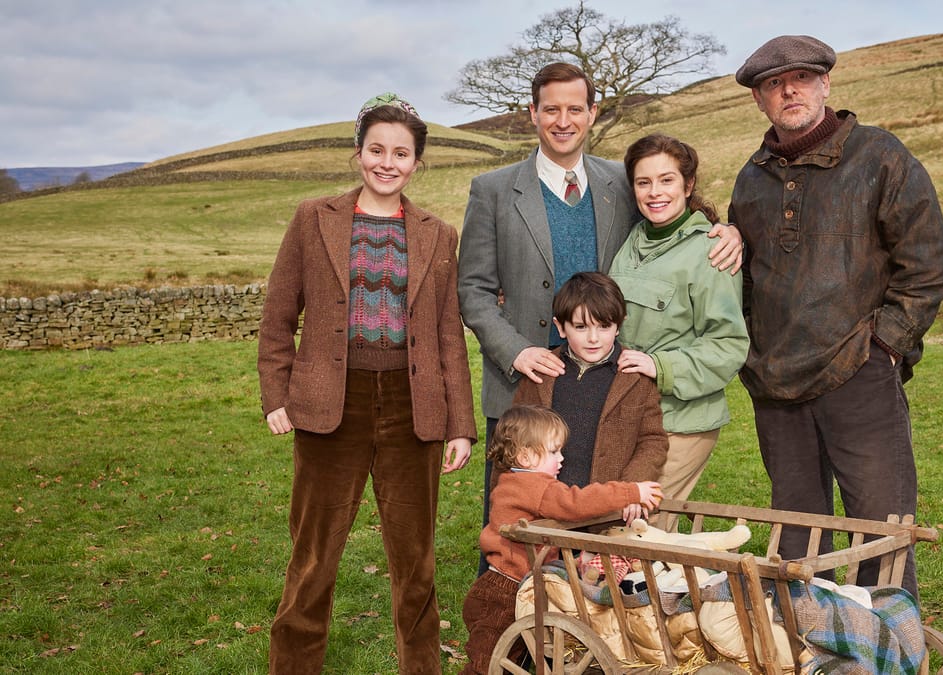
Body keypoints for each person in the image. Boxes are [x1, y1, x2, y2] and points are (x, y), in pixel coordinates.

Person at [457, 62, 741, 557]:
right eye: (551, 109)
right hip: (530, 390)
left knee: (596, 526)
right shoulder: (494, 190)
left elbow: (671, 222)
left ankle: (583, 621)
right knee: (514, 531)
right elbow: (474, 291)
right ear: (533, 113)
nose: (562, 120)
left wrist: (724, 229)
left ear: (592, 113)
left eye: (574, 108)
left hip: (604, 389)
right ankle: (511, 622)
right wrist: (516, 351)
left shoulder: (620, 181)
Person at [728, 36, 943, 601]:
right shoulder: (751, 180)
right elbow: (747, 279)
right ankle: (816, 650)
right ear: (759, 99)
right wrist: (754, 353)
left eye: (801, 78)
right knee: (798, 539)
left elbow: (928, 264)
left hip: (860, 370)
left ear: (825, 84)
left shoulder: (879, 156)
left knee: (879, 527)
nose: (789, 91)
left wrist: (885, 346)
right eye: (773, 84)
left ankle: (890, 649)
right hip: (777, 382)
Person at [256, 93, 476, 673]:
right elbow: (279, 315)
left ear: (416, 162)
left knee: (416, 566)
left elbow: (448, 333)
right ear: (358, 154)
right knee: (313, 560)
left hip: (413, 410)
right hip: (331, 407)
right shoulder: (314, 218)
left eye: (401, 152)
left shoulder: (438, 233)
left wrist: (460, 424)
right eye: (376, 149)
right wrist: (276, 395)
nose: (387, 162)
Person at [608, 133, 750, 533]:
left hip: (682, 422)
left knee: (642, 533)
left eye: (667, 180)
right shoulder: (632, 241)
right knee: (623, 537)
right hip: (633, 416)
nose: (655, 193)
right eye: (643, 182)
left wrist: (658, 365)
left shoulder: (711, 251)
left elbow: (728, 346)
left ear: (688, 185)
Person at [460, 404, 662, 675]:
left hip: (513, 581)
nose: (561, 458)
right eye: (554, 451)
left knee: (513, 656)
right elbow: (575, 503)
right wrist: (630, 491)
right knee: (485, 665)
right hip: (505, 591)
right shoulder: (533, 487)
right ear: (526, 457)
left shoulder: (515, 482)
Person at [511, 271, 668, 525]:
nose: (593, 338)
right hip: (546, 515)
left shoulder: (634, 375)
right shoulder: (543, 372)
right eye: (581, 327)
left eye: (604, 326)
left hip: (610, 514)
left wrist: (632, 488)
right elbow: (515, 439)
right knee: (550, 566)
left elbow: (652, 440)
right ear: (561, 327)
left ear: (619, 324)